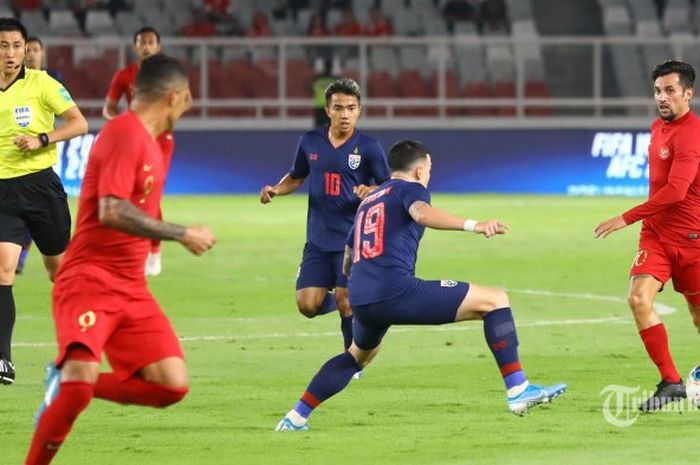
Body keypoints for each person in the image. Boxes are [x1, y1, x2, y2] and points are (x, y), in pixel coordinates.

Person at [275, 140, 567, 431]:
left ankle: (296, 417)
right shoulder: (410, 190)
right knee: (495, 300)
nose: (429, 174)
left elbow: (350, 256)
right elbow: (422, 214)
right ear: (418, 171)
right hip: (395, 290)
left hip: (363, 298)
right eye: (428, 168)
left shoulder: (370, 201)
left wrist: (359, 285)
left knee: (355, 357)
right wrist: (474, 225)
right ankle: (518, 390)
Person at [24, 54, 216, 465]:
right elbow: (112, 209)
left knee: (171, 386)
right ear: (175, 96)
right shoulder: (124, 133)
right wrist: (181, 234)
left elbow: (144, 206)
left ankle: (63, 383)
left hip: (131, 287)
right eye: (187, 99)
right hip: (90, 278)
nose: (188, 106)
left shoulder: (157, 142)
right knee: (77, 386)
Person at [595, 60, 700, 412]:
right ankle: (670, 382)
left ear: (689, 93)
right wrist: (641, 224)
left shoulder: (691, 133)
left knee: (698, 317)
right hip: (655, 236)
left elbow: (675, 192)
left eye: (670, 90)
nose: (662, 97)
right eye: (658, 91)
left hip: (691, 240)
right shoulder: (658, 127)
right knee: (639, 299)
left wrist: (624, 218)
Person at [260, 78, 390, 351]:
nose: (345, 114)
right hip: (318, 240)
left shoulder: (368, 147)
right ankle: (353, 302)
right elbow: (296, 177)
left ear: (359, 110)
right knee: (307, 305)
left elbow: (390, 186)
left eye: (351, 108)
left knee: (345, 299)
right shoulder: (310, 142)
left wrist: (372, 189)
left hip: (352, 240)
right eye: (339, 108)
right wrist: (276, 189)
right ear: (327, 110)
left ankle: (351, 360)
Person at [0, 17, 88, 385]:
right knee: (2, 271)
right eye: (3, 46)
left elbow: (79, 123)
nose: (10, 53)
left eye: (16, 46)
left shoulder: (42, 83)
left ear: (25, 48)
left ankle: (79, 346)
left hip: (41, 188)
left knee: (58, 271)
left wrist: (42, 139)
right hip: (3, 192)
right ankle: (3, 360)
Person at [102, 26, 171, 277]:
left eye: (151, 42)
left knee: (151, 190)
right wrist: (121, 122)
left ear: (158, 47)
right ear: (135, 46)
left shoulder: (167, 75)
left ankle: (154, 251)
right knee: (134, 193)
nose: (146, 46)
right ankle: (135, 248)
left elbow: (180, 103)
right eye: (142, 42)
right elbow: (108, 108)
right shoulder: (124, 75)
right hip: (134, 139)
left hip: (161, 140)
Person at [16, 36, 66, 275]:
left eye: (36, 50)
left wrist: (44, 138)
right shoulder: (12, 81)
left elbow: (68, 114)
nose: (32, 54)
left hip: (42, 158)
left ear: (43, 53)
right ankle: (20, 254)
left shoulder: (52, 80)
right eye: (28, 50)